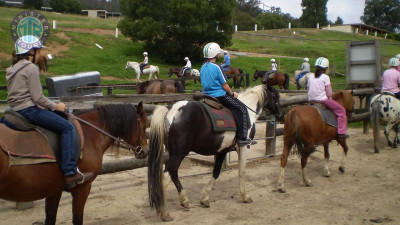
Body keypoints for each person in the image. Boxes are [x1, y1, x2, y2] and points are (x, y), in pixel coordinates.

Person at [6, 35, 93, 188]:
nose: (39, 55)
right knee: (67, 127)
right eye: (38, 52)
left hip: (14, 111)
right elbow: (38, 98)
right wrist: (56, 106)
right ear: (31, 52)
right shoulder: (30, 68)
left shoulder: (12, 69)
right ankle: (70, 172)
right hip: (29, 110)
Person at [200, 42, 252, 146]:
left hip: (206, 95)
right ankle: (242, 138)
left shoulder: (202, 67)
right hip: (219, 95)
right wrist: (232, 94)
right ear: (216, 55)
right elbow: (225, 86)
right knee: (241, 108)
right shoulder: (217, 67)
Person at [307, 57, 348, 140]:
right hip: (322, 100)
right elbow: (329, 93)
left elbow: (308, 89)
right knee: (341, 110)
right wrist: (330, 98)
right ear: (325, 68)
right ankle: (341, 133)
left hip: (311, 100)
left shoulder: (310, 76)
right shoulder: (325, 77)